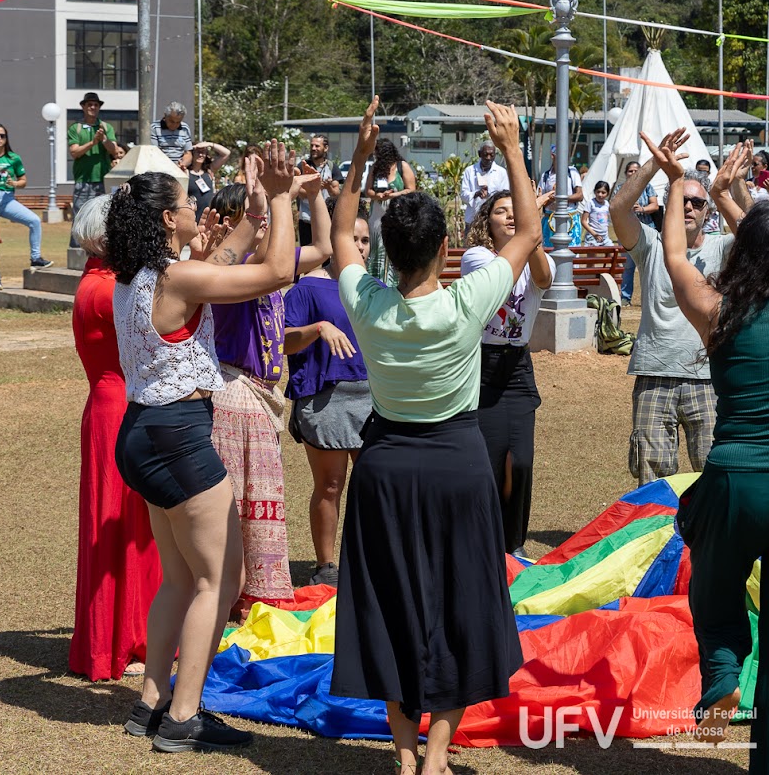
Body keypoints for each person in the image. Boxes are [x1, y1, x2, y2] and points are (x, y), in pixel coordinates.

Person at [331, 98, 534, 774]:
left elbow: (337, 240)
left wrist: (361, 157)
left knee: (389, 601)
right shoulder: (464, 301)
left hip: (385, 468)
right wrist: (509, 147)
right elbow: (528, 232)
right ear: (446, 250)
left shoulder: (366, 301)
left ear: (385, 250)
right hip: (457, 465)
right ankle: (437, 759)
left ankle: (404, 750)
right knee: (460, 601)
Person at [641, 129, 769, 773]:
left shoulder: (718, 309)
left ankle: (723, 662)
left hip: (738, 479)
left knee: (711, 575)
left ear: (742, 250)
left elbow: (674, 256)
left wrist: (678, 181)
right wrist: (742, 204)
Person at [106, 141, 298, 753]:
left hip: (141, 433)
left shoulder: (133, 278)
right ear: (168, 219)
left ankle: (151, 701)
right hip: (179, 437)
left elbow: (227, 259)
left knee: (180, 578)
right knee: (221, 577)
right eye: (188, 200)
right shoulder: (177, 275)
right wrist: (288, 198)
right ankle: (185, 716)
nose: (197, 206)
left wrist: (256, 209)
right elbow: (277, 274)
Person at [206, 172, 331, 609]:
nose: (268, 228)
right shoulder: (235, 272)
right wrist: (281, 199)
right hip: (234, 390)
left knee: (259, 502)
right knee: (239, 504)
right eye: (257, 219)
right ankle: (235, 598)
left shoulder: (271, 267)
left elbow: (324, 250)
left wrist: (311, 198)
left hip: (261, 395)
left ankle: (252, 597)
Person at [611, 135, 744, 485]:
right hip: (655, 374)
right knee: (652, 479)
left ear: (707, 213)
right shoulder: (651, 245)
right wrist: (659, 166)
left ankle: (709, 542)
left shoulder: (724, 247)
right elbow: (618, 209)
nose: (688, 207)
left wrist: (728, 191)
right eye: (681, 199)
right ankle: (659, 541)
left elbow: (759, 237)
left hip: (709, 378)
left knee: (716, 475)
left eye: (696, 203)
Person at [68, 195, 160, 681]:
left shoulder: (95, 281)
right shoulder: (107, 290)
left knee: (128, 525)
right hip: (119, 408)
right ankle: (124, 637)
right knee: (122, 526)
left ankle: (126, 632)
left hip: (108, 405)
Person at [283, 209, 372, 588]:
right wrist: (318, 329)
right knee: (331, 485)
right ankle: (326, 566)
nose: (360, 247)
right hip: (324, 399)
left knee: (374, 483)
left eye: (366, 240)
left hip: (373, 398)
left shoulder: (375, 288)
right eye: (353, 238)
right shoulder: (305, 288)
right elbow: (282, 341)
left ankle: (370, 561)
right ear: (334, 240)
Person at [462, 187, 553, 557]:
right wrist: (528, 235)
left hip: (517, 368)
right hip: (483, 367)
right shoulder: (476, 257)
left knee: (522, 463)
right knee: (489, 463)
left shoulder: (532, 254)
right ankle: (485, 542)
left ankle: (512, 545)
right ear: (488, 220)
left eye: (518, 211)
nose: (511, 216)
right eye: (502, 211)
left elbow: (544, 280)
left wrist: (533, 238)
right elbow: (501, 280)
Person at [0, 122, 51, 290]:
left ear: (6, 138)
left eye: (2, 135)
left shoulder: (13, 158)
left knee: (34, 221)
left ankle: (35, 257)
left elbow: (23, 181)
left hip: (8, 199)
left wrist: (14, 182)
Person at [362, 138, 417, 283]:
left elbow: (411, 189)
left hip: (396, 215)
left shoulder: (401, 166)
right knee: (377, 249)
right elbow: (368, 190)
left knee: (393, 247)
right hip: (377, 216)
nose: (376, 155)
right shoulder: (375, 168)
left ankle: (393, 281)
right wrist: (378, 195)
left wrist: (393, 195)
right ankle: (376, 280)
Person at [67, 92, 124, 228]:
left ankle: (99, 249)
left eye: (96, 105)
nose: (93, 107)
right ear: (83, 106)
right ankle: (76, 248)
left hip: (102, 179)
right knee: (80, 218)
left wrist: (103, 139)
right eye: (89, 104)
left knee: (102, 218)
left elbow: (114, 151)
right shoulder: (76, 128)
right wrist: (92, 143)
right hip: (83, 180)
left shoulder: (106, 127)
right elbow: (74, 152)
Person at [619, 159, 660, 304]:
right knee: (628, 267)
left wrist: (642, 209)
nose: (634, 173)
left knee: (650, 266)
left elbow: (654, 205)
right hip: (628, 232)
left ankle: (650, 297)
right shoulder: (620, 188)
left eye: (637, 170)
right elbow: (616, 209)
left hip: (647, 228)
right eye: (630, 171)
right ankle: (625, 297)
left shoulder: (648, 187)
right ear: (626, 173)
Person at [298, 134, 343, 245]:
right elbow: (299, 192)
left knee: (326, 253)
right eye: (312, 145)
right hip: (306, 219)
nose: (313, 148)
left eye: (317, 146)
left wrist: (328, 187)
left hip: (325, 219)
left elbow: (336, 194)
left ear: (326, 148)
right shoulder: (303, 166)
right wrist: (315, 188)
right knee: (305, 254)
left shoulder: (332, 167)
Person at [537, 148, 585, 244]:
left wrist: (560, 198)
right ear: (552, 156)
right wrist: (551, 197)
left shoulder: (572, 172)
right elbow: (540, 200)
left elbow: (579, 195)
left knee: (572, 250)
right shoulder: (545, 176)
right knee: (549, 251)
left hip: (570, 218)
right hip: (549, 219)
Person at [460, 141, 510, 226]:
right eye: (485, 154)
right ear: (479, 154)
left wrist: (490, 193)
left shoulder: (501, 172)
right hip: (472, 219)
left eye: (491, 155)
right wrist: (476, 194)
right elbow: (463, 195)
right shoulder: (470, 171)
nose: (488, 158)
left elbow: (505, 196)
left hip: (492, 221)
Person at [188, 142, 230, 218]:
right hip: (193, 216)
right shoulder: (185, 173)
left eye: (203, 152)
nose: (200, 155)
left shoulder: (209, 170)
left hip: (208, 217)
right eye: (197, 152)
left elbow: (226, 153)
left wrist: (209, 144)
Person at [150, 101, 194, 170]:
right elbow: (154, 152)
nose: (174, 125)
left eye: (178, 122)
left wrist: (183, 163)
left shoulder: (185, 128)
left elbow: (188, 153)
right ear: (165, 116)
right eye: (172, 121)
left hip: (180, 169)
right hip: (161, 169)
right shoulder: (154, 128)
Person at [582, 180, 613, 246]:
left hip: (605, 237)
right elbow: (583, 221)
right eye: (598, 192)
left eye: (603, 192)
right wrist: (594, 234)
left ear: (607, 193)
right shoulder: (590, 203)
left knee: (612, 253)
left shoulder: (607, 204)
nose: (600, 195)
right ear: (594, 192)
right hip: (592, 236)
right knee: (592, 255)